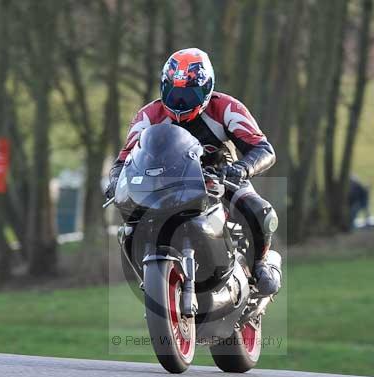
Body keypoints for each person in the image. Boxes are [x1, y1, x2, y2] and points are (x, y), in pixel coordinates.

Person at [105, 48, 280, 295]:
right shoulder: (148, 115)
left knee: (257, 209)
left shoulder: (226, 108)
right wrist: (115, 181)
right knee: (131, 222)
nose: (179, 102)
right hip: (166, 184)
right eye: (173, 92)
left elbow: (263, 149)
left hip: (220, 178)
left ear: (207, 88)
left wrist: (242, 168)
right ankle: (153, 278)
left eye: (189, 94)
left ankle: (260, 264)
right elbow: (123, 160)